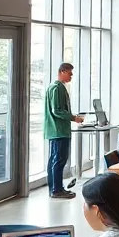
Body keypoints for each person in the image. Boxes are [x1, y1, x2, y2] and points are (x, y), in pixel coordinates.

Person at [44, 62, 84, 200]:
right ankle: (57, 189)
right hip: (59, 130)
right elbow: (57, 110)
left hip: (55, 130)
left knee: (54, 160)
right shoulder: (57, 88)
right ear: (62, 71)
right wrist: (74, 118)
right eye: (69, 73)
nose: (71, 76)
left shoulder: (54, 87)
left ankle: (55, 188)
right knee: (59, 160)